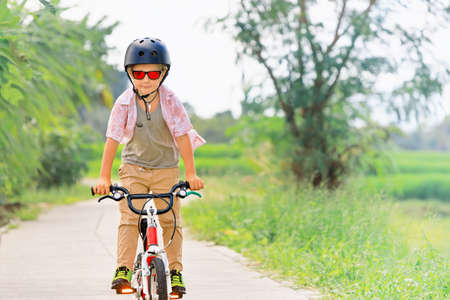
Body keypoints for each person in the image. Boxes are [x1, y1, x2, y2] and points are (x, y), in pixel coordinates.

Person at [92, 37, 205, 296]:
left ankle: (175, 272)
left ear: (163, 74)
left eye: (153, 73)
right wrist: (103, 177)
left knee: (170, 220)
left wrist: (191, 174)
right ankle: (123, 269)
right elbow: (112, 139)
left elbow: (183, 135)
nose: (146, 79)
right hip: (134, 168)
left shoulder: (171, 100)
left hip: (166, 168)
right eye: (139, 73)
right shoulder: (123, 102)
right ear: (130, 74)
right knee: (130, 219)